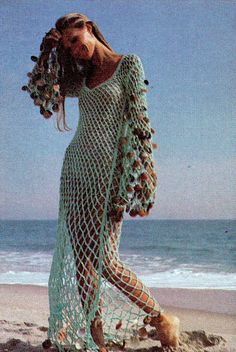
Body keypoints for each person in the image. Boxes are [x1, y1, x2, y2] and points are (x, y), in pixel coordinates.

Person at [23, 12, 180, 352]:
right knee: (83, 263)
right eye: (69, 46)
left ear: (89, 29)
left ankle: (162, 317)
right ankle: (98, 345)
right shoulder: (82, 79)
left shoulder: (128, 65)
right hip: (77, 170)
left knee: (104, 261)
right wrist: (47, 51)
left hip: (109, 176)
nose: (76, 50)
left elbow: (140, 124)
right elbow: (44, 97)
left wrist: (139, 183)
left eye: (76, 41)